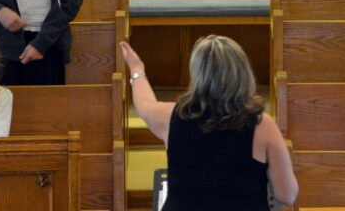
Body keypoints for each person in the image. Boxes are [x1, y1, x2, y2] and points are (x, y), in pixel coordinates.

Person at [120, 36, 298, 210]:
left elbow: (144, 104)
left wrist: (137, 69)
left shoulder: (171, 117)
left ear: (197, 74)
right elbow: (287, 195)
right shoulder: (262, 125)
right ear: (243, 72)